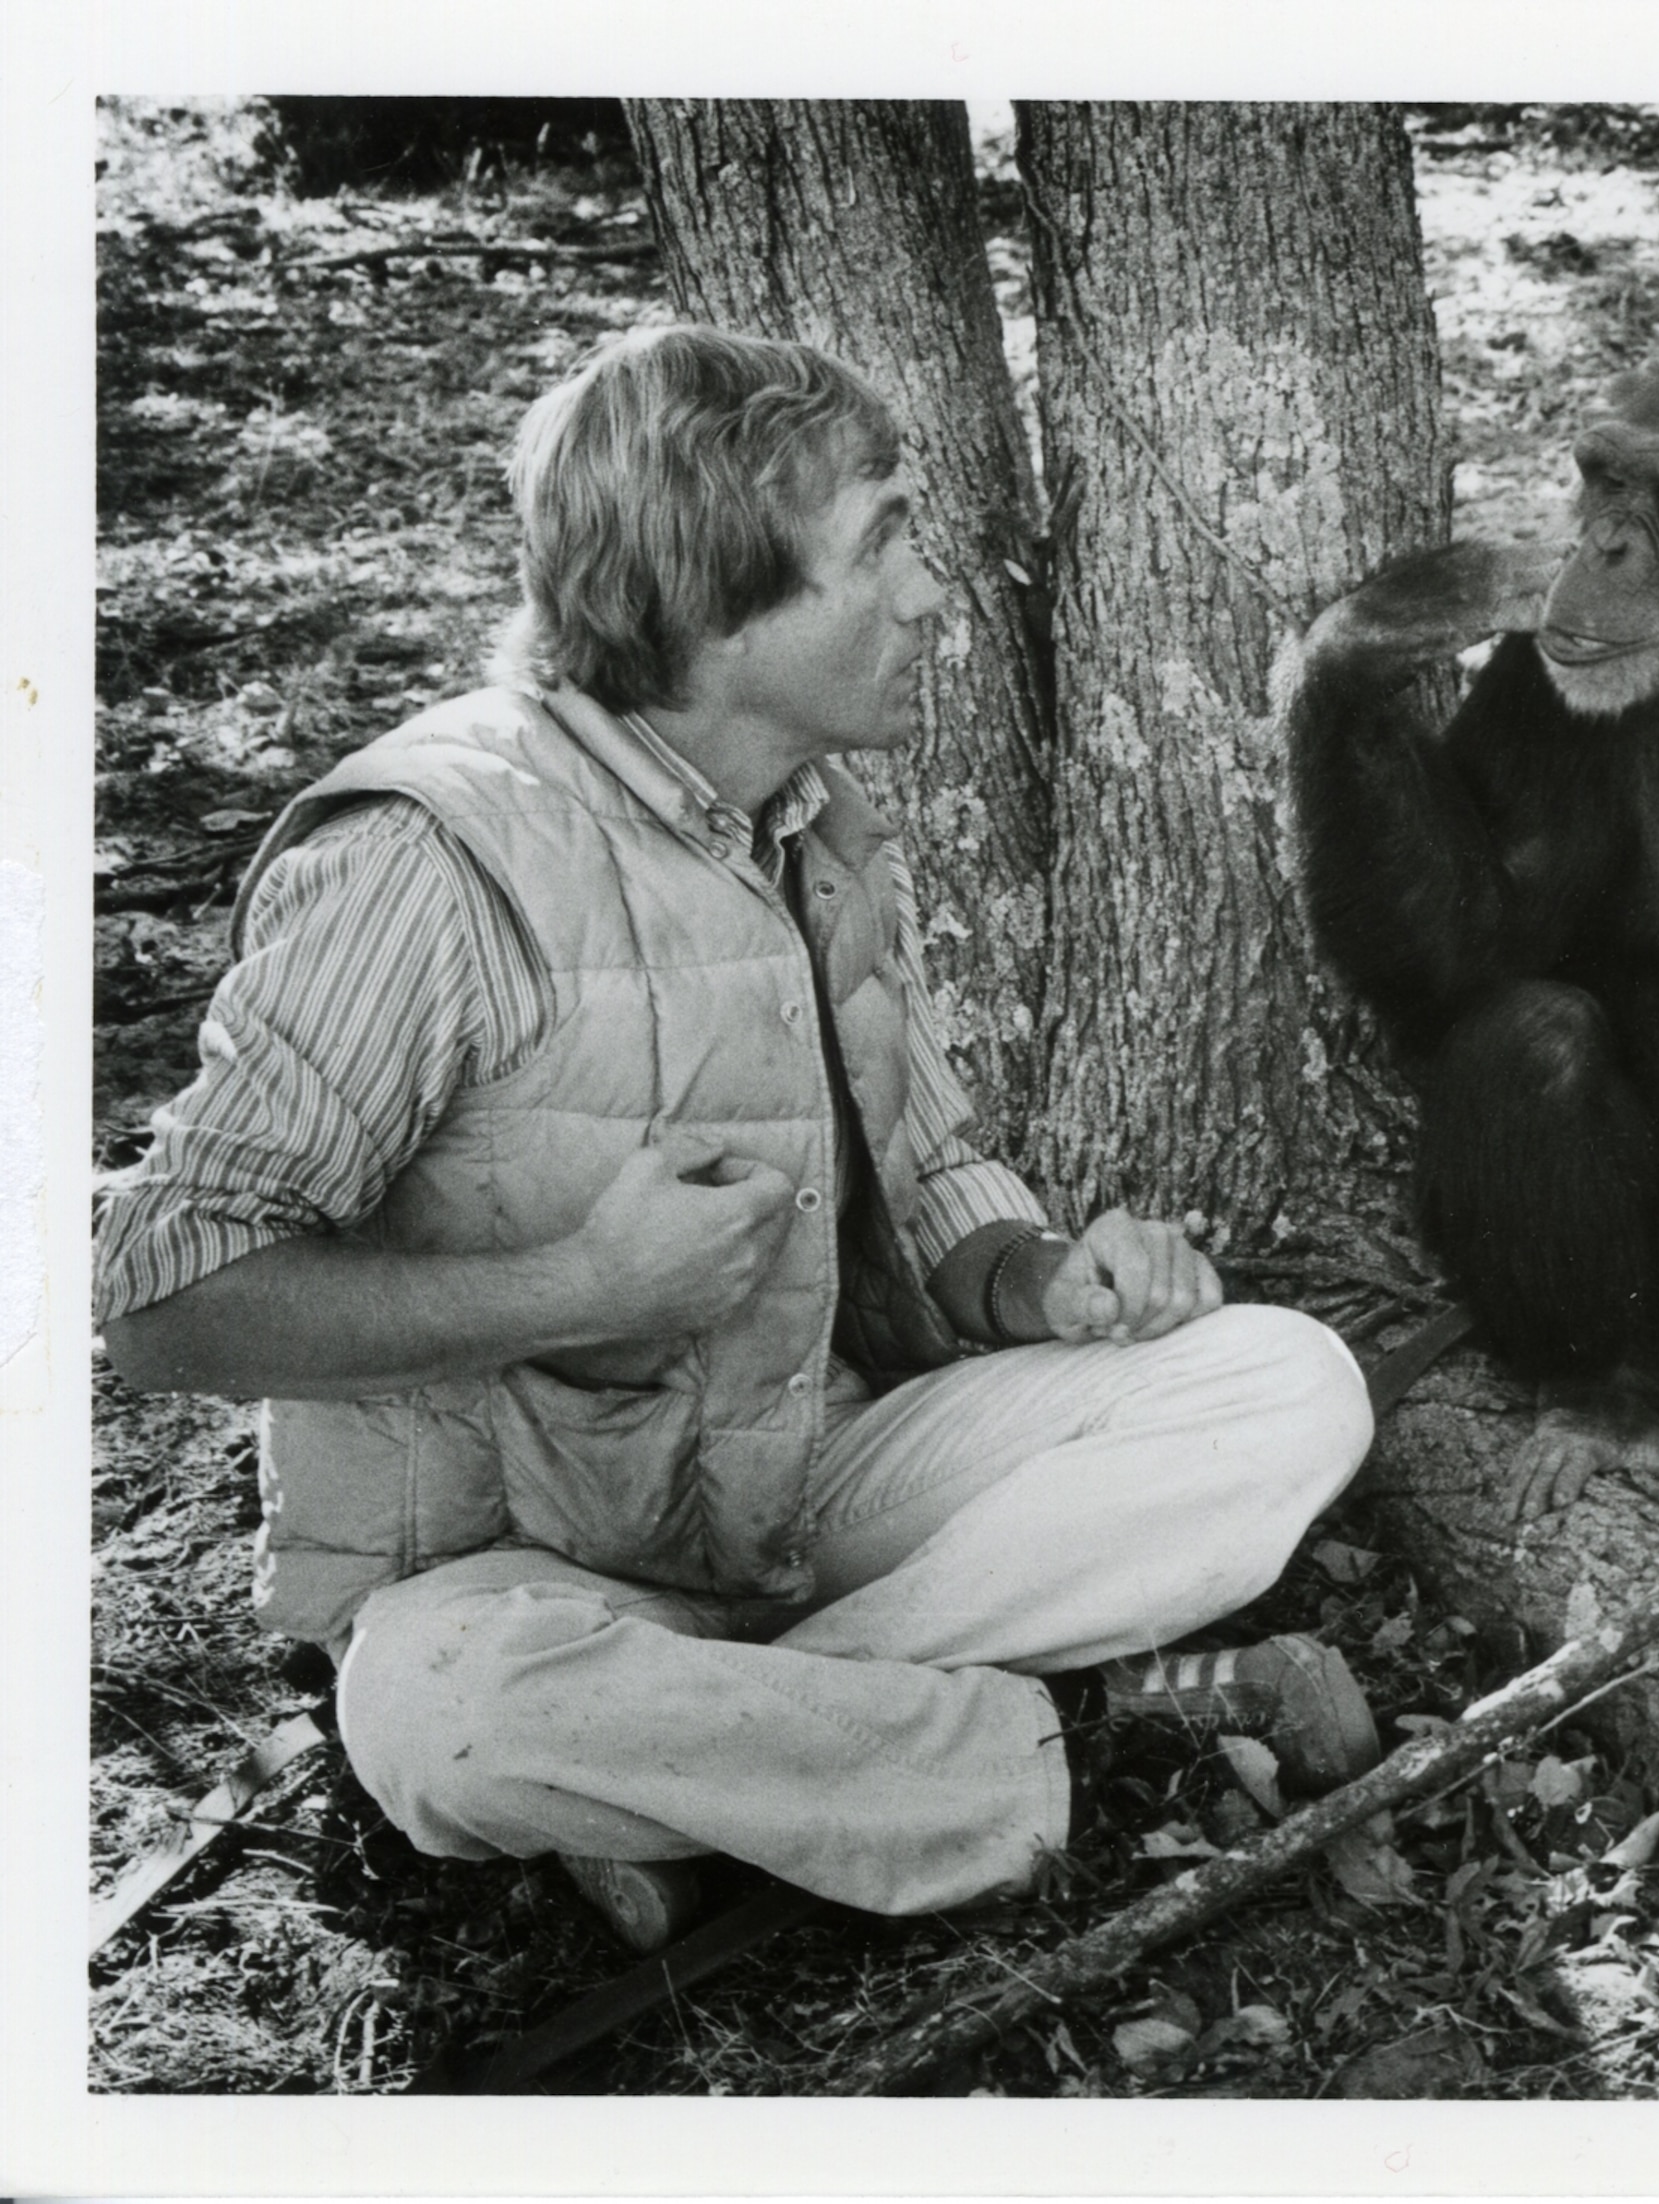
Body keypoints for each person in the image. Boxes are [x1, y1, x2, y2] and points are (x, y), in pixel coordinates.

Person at [95, 326, 1380, 1953]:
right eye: (883, 544)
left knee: (1282, 1384)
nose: (933, 597)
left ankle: (726, 1758)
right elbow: (162, 1300)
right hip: (526, 1572)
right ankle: (1092, 1730)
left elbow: (921, 1182)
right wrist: (574, 1284)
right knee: (443, 1710)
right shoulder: (430, 858)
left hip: (807, 1496)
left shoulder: (813, 814)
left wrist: (1044, 1281)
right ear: (714, 606)